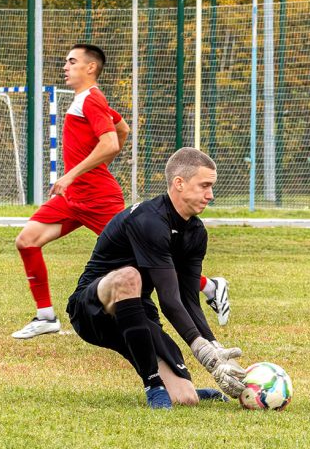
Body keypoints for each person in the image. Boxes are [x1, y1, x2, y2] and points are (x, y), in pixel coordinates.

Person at [12, 44, 230, 339]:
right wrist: (85, 172)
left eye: (72, 61)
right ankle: (46, 316)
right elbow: (122, 128)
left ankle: (208, 286)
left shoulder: (91, 99)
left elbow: (111, 142)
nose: (65, 66)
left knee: (142, 258)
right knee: (26, 241)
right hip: (74, 197)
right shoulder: (85, 100)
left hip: (98, 197)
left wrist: (73, 173)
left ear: (90, 68)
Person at [66, 147, 246, 409]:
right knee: (129, 276)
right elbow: (169, 301)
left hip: (137, 313)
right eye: (204, 186)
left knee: (186, 398)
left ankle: (172, 383)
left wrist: (216, 350)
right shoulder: (149, 220)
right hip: (92, 308)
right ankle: (152, 383)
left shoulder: (196, 233)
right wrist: (204, 354)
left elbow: (187, 300)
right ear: (179, 183)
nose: (211, 195)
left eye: (212, 187)